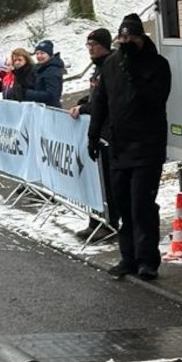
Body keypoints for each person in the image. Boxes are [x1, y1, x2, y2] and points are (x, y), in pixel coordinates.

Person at [88, 13, 171, 281]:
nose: (126, 44)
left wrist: (134, 72)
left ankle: (147, 260)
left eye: (130, 39)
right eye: (122, 39)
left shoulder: (157, 64)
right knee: (123, 204)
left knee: (141, 205)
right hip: (119, 145)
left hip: (147, 145)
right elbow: (100, 101)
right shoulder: (112, 65)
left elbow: (156, 99)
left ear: (140, 39)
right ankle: (128, 257)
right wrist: (93, 135)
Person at [69, 28, 118, 242]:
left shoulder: (111, 66)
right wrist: (84, 102)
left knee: (108, 182)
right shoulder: (98, 67)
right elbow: (95, 96)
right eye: (88, 45)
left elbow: (105, 102)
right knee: (96, 180)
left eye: (94, 45)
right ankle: (96, 220)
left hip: (109, 133)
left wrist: (85, 108)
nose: (90, 49)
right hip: (98, 131)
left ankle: (109, 223)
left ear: (104, 45)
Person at [23, 39, 64, 108]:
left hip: (50, 109)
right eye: (37, 53)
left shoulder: (52, 71)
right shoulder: (38, 68)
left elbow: (52, 96)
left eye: (42, 53)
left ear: (49, 54)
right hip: (40, 108)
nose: (39, 56)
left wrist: (27, 93)